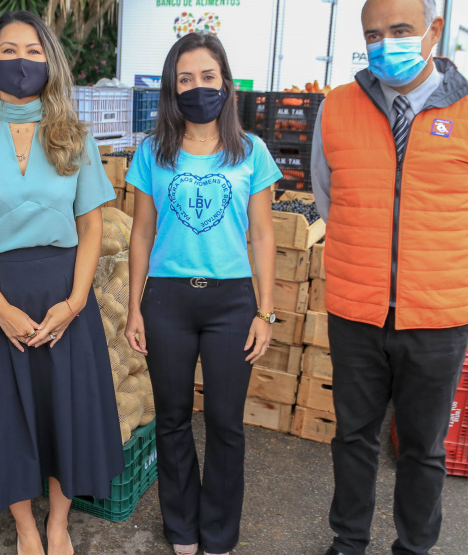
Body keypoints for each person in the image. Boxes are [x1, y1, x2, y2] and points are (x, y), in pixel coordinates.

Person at [311, 0, 468, 554]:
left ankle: (414, 546)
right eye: (373, 34)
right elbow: (331, 200)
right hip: (357, 309)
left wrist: (431, 263)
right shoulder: (337, 108)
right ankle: (348, 540)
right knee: (352, 436)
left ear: (434, 31)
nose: (385, 44)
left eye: (400, 30)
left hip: (437, 315)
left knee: (424, 446)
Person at [0, 10, 124, 555]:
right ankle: (25, 528)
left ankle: (59, 522)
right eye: (9, 51)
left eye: (34, 51)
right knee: (5, 417)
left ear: (51, 62)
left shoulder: (73, 137)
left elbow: (91, 228)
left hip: (64, 293)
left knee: (67, 411)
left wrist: (76, 302)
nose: (22, 62)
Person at [124, 33, 281, 555]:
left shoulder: (251, 151)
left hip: (232, 303)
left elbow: (262, 235)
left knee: (224, 424)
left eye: (207, 77)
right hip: (167, 301)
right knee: (170, 419)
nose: (197, 87)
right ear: (171, 88)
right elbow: (141, 233)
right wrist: (133, 308)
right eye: (185, 79)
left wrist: (266, 311)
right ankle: (181, 529)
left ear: (226, 84)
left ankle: (218, 534)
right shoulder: (152, 151)